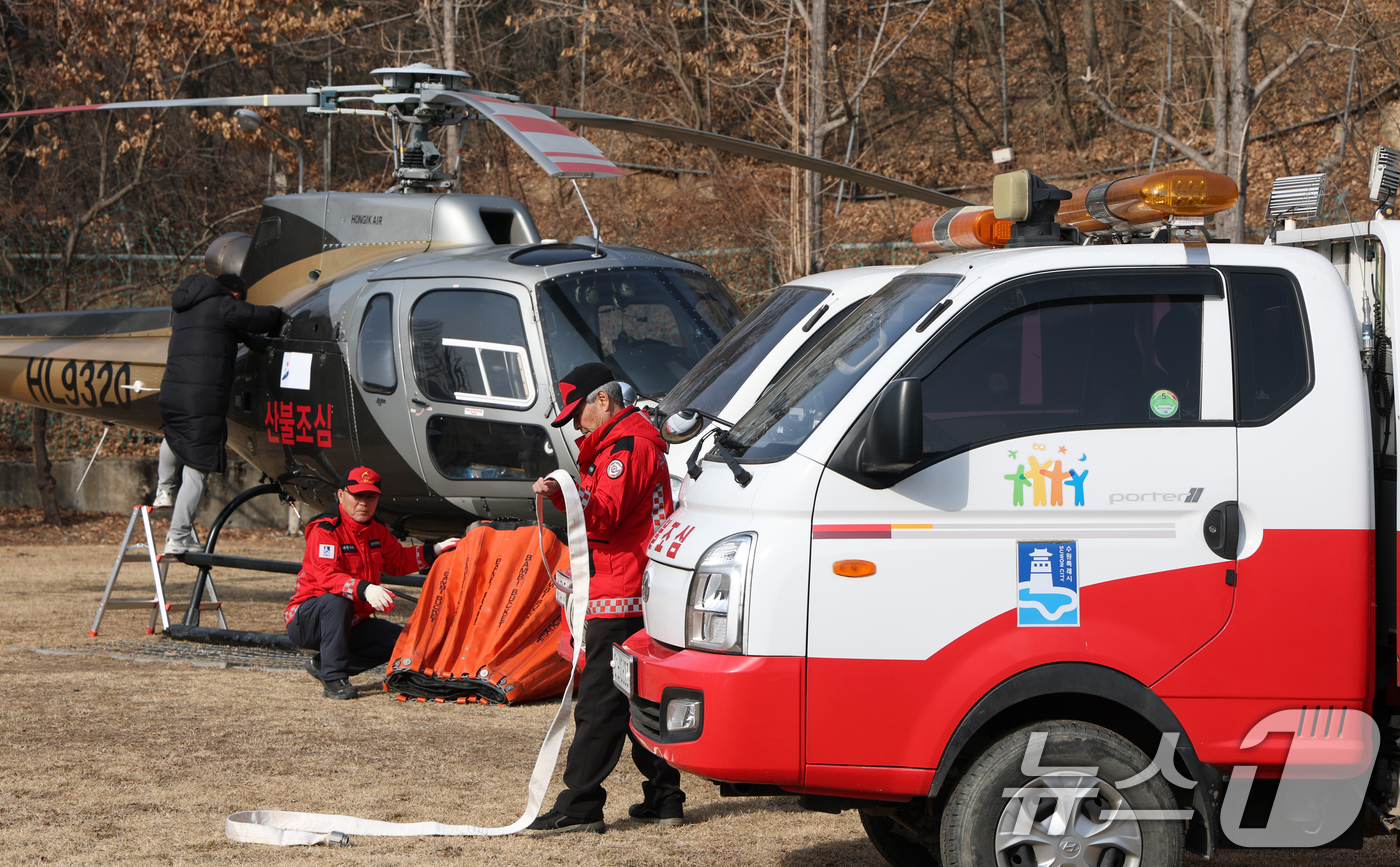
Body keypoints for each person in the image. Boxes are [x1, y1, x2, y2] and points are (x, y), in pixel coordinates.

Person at [527, 362, 685, 834]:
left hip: (619, 593)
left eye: (580, 414)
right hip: (638, 590)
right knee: (641, 698)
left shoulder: (625, 448)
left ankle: (580, 806)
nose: (577, 425)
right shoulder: (633, 443)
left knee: (599, 703)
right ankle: (664, 798)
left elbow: (602, 517)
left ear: (604, 400)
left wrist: (563, 491)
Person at [285, 467, 459, 699]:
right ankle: (334, 678)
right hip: (307, 620)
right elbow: (326, 577)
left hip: (351, 621)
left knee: (400, 642)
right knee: (339, 601)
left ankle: (322, 664)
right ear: (340, 495)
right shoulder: (325, 529)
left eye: (371, 497)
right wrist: (365, 589)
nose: (364, 503)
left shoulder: (377, 529)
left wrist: (435, 549)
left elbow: (397, 561)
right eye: (357, 496)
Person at [155, 272, 283, 554]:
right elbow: (259, 316)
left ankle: (163, 491)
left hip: (172, 394)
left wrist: (245, 338)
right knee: (198, 468)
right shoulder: (225, 304)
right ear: (235, 294)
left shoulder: (185, 308)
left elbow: (214, 330)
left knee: (173, 436)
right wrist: (283, 312)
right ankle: (178, 536)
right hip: (202, 400)